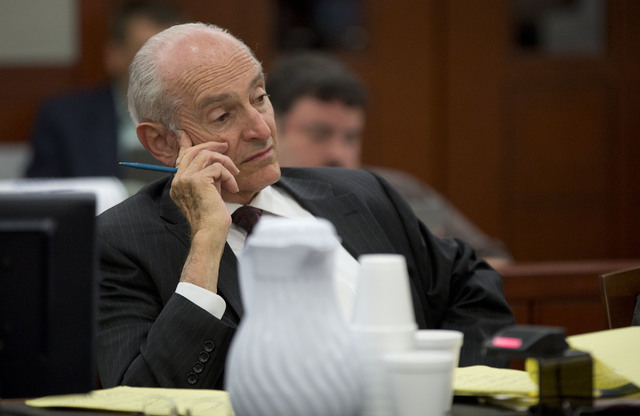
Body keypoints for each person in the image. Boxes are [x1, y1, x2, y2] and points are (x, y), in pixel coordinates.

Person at [97, 22, 514, 390]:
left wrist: (450, 393)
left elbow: (471, 284)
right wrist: (206, 241)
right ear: (161, 142)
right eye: (223, 116)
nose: (261, 128)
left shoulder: (361, 193)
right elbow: (144, 400)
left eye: (259, 97)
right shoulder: (119, 244)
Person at [267, 52, 513, 268]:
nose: (339, 153)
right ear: (272, 128)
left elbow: (494, 262)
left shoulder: (397, 191)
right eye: (320, 134)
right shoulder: (258, 203)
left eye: (351, 137)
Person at [25, 0, 184, 186]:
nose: (161, 68)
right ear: (113, 55)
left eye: (172, 55)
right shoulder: (64, 120)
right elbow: (41, 196)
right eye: (147, 54)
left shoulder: (205, 118)